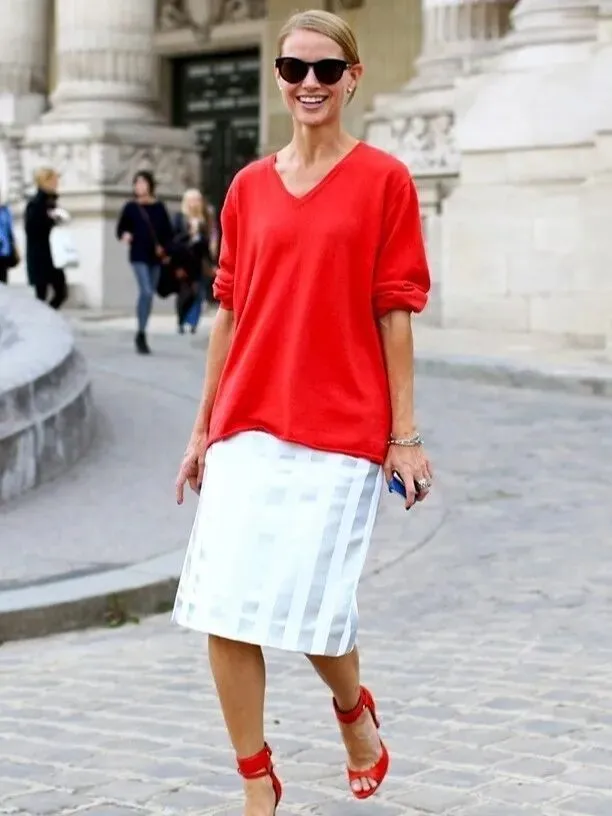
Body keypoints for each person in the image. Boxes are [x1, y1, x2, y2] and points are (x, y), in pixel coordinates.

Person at [173, 9, 433, 815]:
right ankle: (258, 781)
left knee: (312, 611)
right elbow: (227, 312)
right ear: (278, 77)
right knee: (223, 606)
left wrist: (404, 436)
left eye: (325, 69)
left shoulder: (385, 180)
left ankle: (354, 711)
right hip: (247, 420)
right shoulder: (248, 187)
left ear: (353, 77)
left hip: (341, 427)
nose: (309, 83)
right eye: (293, 69)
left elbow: (395, 310)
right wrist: (202, 429)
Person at [116, 171, 173, 355]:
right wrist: (125, 235)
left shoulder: (159, 207)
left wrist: (165, 249)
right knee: (146, 291)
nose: (139, 187)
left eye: (143, 183)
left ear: (150, 185)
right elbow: (120, 229)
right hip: (138, 255)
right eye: (137, 183)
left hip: (155, 257)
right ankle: (141, 333)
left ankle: (142, 329)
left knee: (149, 296)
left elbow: (168, 233)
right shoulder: (130, 207)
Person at [172, 188, 219, 334]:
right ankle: (181, 320)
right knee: (184, 293)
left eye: (197, 200)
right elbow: (174, 239)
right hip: (183, 261)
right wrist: (190, 234)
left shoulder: (205, 219)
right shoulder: (179, 218)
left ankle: (193, 322)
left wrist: (212, 263)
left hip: (200, 263)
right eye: (191, 200)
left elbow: (209, 243)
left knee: (199, 292)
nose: (194, 203)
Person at [24, 168, 69, 309]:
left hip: (53, 255)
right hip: (40, 256)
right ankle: (42, 319)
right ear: (45, 181)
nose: (57, 183)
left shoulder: (52, 202)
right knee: (41, 295)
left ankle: (48, 317)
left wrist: (59, 219)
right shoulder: (35, 203)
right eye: (54, 180)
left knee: (61, 292)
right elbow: (32, 229)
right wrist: (50, 220)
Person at [0, 197, 18, 284]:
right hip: (4, 247)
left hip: (4, 250)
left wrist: (13, 246)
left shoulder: (6, 211)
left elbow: (10, 230)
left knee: (3, 276)